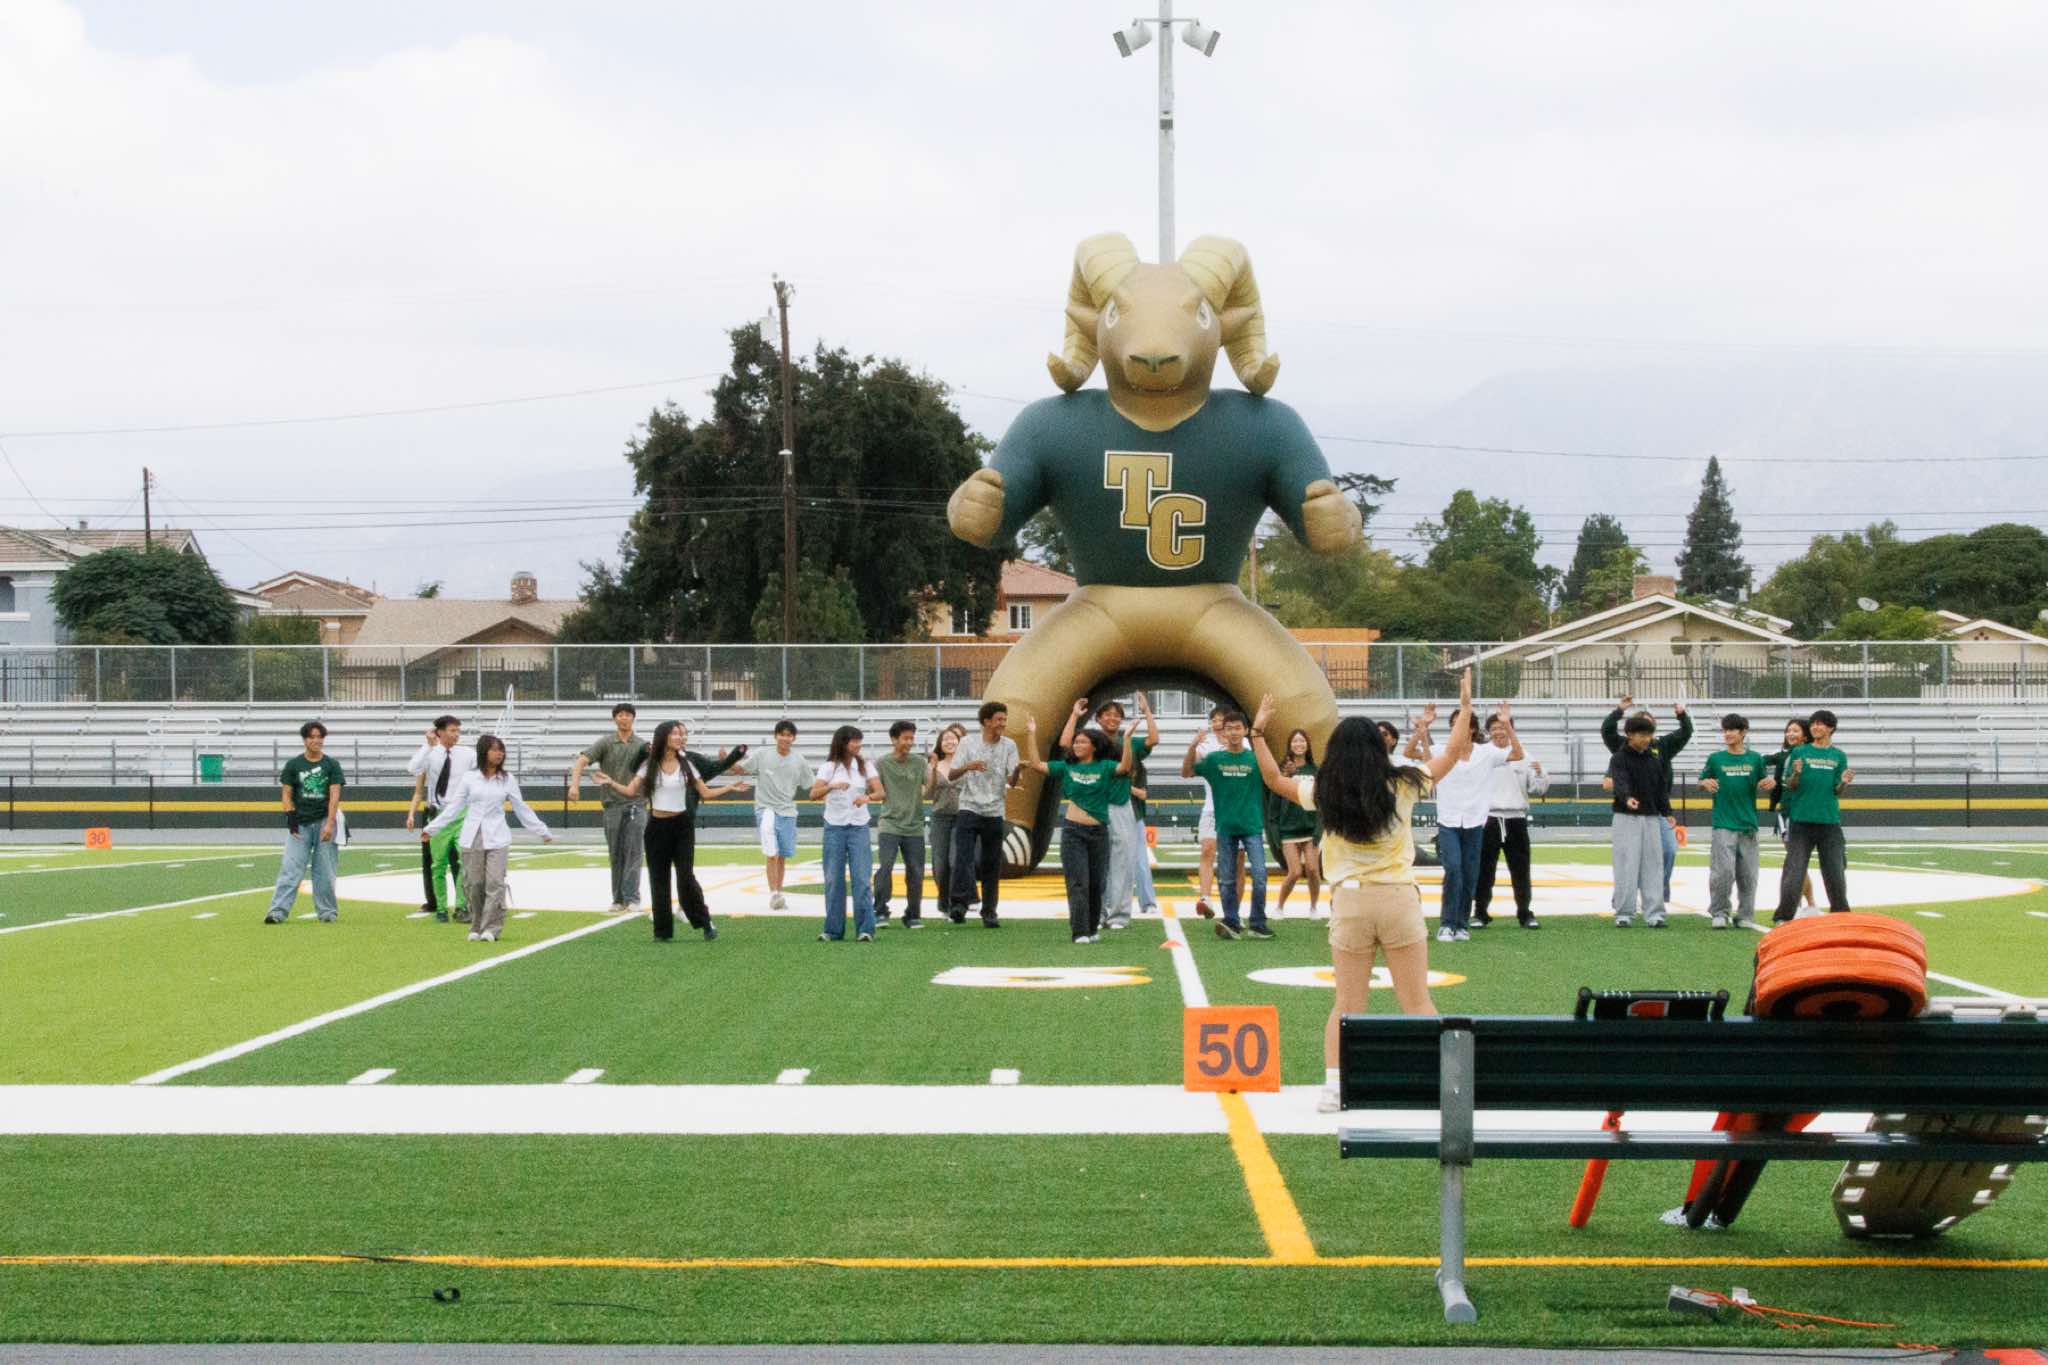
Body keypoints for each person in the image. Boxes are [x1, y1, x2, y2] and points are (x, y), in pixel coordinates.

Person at [1249, 672, 1475, 1112]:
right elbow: (1450, 754)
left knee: (1347, 1004)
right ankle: (1444, 1087)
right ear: (1379, 747)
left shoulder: (1325, 789)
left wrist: (1258, 731)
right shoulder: (1403, 782)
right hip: (1398, 898)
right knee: (1417, 1001)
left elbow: (1274, 779)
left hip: (1350, 900)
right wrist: (1464, 708)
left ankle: (1335, 1088)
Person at [595, 720, 745, 942]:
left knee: (686, 879)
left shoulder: (687, 764)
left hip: (682, 827)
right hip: (657, 827)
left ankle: (704, 922)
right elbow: (630, 791)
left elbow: (705, 792)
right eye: (674, 734)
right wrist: (610, 782)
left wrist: (730, 787)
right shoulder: (649, 765)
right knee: (659, 880)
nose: (679, 737)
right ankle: (662, 932)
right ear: (663, 737)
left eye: (680, 734)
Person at [1022, 710, 1138, 942]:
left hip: (1099, 832)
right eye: (1075, 742)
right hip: (1073, 832)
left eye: (1082, 742)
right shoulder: (1067, 767)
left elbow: (1125, 767)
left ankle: (1092, 928)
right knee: (1077, 883)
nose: (1077, 745)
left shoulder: (1105, 767)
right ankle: (1079, 931)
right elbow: (1036, 764)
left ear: (1094, 746)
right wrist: (1031, 734)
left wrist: (1126, 740)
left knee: (1096, 884)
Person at [424, 734, 553, 942]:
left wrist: (542, 830)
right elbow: (454, 807)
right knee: (474, 883)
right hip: (472, 836)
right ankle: (476, 925)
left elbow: (521, 807)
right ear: (484, 752)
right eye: (494, 749)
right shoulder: (469, 778)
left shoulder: (507, 779)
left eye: (501, 750)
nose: (499, 754)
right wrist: (432, 828)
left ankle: (492, 928)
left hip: (498, 836)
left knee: (495, 883)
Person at [1057, 694, 1160, 929]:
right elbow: (1065, 743)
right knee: (1097, 863)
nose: (1112, 718)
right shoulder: (1091, 740)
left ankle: (1118, 915)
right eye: (1107, 714)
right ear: (1098, 718)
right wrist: (1074, 715)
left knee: (1123, 862)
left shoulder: (1128, 740)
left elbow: (1153, 739)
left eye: (1117, 715)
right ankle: (1098, 913)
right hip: (1094, 807)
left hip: (1121, 805)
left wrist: (1147, 711)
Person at [1425, 700, 1521, 942]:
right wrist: (1423, 729)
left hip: (1475, 822)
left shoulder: (1486, 752)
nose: (1457, 728)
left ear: (1472, 728)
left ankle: (1461, 924)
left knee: (1469, 874)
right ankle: (1446, 923)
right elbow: (1424, 761)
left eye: (1462, 723)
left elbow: (1517, 754)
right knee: (1453, 869)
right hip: (1449, 821)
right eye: (1453, 724)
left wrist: (1507, 725)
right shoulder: (1443, 751)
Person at [1183, 709, 1273, 940]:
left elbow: (1274, 776)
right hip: (1225, 827)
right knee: (1226, 880)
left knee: (1260, 876)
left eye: (1237, 728)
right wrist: (1192, 747)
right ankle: (1231, 921)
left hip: (1252, 826)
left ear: (1245, 731)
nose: (1233, 732)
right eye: (1229, 728)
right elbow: (1187, 772)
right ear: (1223, 732)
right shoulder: (1215, 759)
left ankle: (1258, 923)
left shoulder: (1255, 758)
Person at [1601, 694, 1692, 902]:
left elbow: (1686, 733)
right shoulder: (1622, 748)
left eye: (1649, 728)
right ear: (1631, 732)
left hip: (1656, 810)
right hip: (1630, 812)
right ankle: (1624, 899)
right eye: (1641, 728)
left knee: (1669, 849)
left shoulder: (1663, 746)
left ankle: (1658, 895)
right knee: (1629, 857)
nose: (1646, 735)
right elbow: (1607, 731)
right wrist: (1619, 711)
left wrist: (1682, 715)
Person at [1771, 709, 1854, 923]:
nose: (1815, 727)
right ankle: (1783, 916)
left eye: (1820, 724)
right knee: (1794, 871)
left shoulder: (1839, 756)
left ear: (1831, 728)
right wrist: (1796, 773)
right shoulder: (1800, 752)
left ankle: (1841, 914)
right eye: (1813, 724)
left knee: (1835, 872)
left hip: (1829, 822)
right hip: (1801, 821)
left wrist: (1844, 782)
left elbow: (1837, 790)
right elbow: (1790, 785)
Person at [568, 703, 651, 914]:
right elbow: (581, 761)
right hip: (612, 805)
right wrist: (575, 785)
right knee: (616, 853)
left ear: (633, 718)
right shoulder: (606, 742)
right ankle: (618, 899)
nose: (624, 718)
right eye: (620, 715)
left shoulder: (642, 745)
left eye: (628, 715)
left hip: (637, 804)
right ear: (615, 719)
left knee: (634, 852)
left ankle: (632, 898)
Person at [726, 721, 813, 912]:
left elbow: (810, 784)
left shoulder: (799, 760)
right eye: (782, 734)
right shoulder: (762, 754)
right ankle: (773, 893)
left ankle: (778, 893)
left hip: (788, 811)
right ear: (775, 736)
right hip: (766, 809)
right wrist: (727, 760)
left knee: (782, 856)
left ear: (794, 738)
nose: (785, 738)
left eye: (789, 735)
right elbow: (741, 770)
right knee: (771, 852)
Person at [946, 702, 1019, 928]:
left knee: (991, 863)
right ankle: (959, 904)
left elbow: (1012, 781)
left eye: (1004, 719)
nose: (1003, 724)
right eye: (999, 719)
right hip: (969, 807)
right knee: (963, 858)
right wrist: (969, 766)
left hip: (995, 810)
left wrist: (1018, 771)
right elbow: (951, 775)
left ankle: (989, 911)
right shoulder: (968, 742)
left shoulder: (1009, 745)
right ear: (986, 721)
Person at [265, 720, 344, 925]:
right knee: (291, 868)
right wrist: (291, 819)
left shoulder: (331, 765)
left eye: (320, 737)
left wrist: (330, 824)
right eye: (312, 737)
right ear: (304, 740)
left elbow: (334, 795)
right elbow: (286, 793)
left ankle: (327, 912)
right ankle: (277, 911)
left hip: (324, 820)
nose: (316, 740)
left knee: (325, 871)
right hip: (300, 823)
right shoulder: (294, 765)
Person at [1473, 711, 1546, 930]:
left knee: (1520, 869)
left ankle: (1525, 912)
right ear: (1488, 732)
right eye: (1494, 728)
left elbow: (1538, 788)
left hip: (1516, 819)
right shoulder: (1481, 754)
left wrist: (1540, 775)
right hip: (1489, 818)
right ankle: (1480, 913)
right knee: (1485, 870)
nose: (1498, 732)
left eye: (1503, 727)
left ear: (1511, 729)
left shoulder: (1525, 756)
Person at [813, 725, 884, 942]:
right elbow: (814, 793)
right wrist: (832, 786)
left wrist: (867, 798)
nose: (857, 745)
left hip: (858, 826)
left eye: (859, 741)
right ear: (843, 742)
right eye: (854, 741)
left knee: (861, 878)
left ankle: (865, 929)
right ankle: (833, 930)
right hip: (834, 827)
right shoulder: (828, 767)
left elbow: (880, 792)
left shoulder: (865, 766)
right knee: (833, 879)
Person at [1699, 713, 1766, 929]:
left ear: (1743, 732)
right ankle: (1719, 912)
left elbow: (1763, 781)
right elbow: (1702, 781)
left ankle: (1745, 915)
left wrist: (1769, 783)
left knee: (1748, 874)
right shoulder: (1716, 759)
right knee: (1723, 872)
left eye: (1732, 730)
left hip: (1748, 824)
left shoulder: (1756, 759)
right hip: (1723, 823)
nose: (1727, 734)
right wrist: (1704, 783)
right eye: (1725, 730)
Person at [404, 714, 472, 924]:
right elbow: (413, 768)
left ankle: (461, 906)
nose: (456, 735)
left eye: (458, 731)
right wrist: (428, 745)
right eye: (452, 730)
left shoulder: (467, 754)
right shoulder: (431, 754)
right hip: (438, 814)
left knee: (464, 861)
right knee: (438, 864)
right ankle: (441, 908)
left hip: (461, 813)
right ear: (439, 732)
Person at [1607, 713, 1672, 927]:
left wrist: (1667, 812)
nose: (1646, 739)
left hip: (1651, 817)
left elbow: (1660, 789)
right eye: (1642, 735)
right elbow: (1620, 782)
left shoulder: (1654, 759)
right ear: (1629, 735)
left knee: (1654, 864)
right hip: (1626, 817)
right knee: (1626, 863)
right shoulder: (1619, 758)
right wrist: (1627, 798)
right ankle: (1624, 913)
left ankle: (1655, 913)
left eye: (1649, 735)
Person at [872, 721, 929, 927]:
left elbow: (928, 788)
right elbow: (874, 789)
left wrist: (933, 769)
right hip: (889, 824)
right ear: (894, 739)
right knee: (885, 866)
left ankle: (913, 914)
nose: (909, 742)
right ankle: (880, 911)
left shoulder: (920, 763)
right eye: (905, 738)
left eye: (912, 738)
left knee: (916, 871)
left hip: (914, 825)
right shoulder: (882, 763)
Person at [1764, 719, 1818, 913]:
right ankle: (1806, 904)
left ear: (1805, 735)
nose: (1790, 734)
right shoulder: (1782, 754)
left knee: (1797, 861)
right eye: (1788, 730)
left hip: (1808, 812)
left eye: (1796, 731)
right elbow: (1756, 760)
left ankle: (1805, 904)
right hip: (1787, 812)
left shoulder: (1814, 755)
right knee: (1795, 860)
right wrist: (1765, 779)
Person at [1270, 729, 1322, 918]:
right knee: (1295, 872)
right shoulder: (1283, 771)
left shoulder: (1316, 771)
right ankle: (1279, 907)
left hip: (1311, 829)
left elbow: (1321, 803)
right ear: (1289, 746)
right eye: (1295, 741)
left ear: (1307, 744)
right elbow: (1274, 804)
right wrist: (1275, 833)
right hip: (1289, 831)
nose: (1299, 744)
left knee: (1313, 870)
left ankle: (1314, 908)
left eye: (1302, 741)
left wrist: (1319, 830)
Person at [925, 724, 967, 924]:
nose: (950, 742)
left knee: (955, 861)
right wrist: (933, 770)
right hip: (940, 818)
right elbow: (928, 794)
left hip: (963, 817)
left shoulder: (967, 764)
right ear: (940, 744)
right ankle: (944, 904)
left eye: (953, 738)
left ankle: (958, 905)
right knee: (940, 865)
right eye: (945, 739)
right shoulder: (933, 765)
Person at [1191, 704, 1228, 918]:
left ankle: (1231, 907)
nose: (1216, 724)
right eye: (1213, 720)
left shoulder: (1242, 742)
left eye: (1220, 719)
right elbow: (1191, 765)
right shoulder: (1207, 744)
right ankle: (1205, 898)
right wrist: (1194, 745)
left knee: (1236, 860)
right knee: (1207, 849)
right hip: (1212, 807)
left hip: (1235, 808)